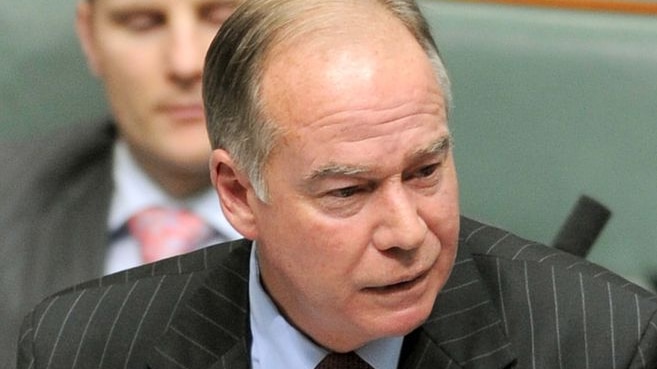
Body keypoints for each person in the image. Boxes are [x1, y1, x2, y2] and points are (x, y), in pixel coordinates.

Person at [17, 0, 657, 367]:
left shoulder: (606, 340)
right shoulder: (83, 345)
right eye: (348, 192)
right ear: (239, 195)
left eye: (425, 171)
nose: (409, 233)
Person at [0, 0, 241, 366]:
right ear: (89, 36)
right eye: (143, 23)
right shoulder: (12, 199)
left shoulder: (346, 211)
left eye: (222, 19)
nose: (186, 63)